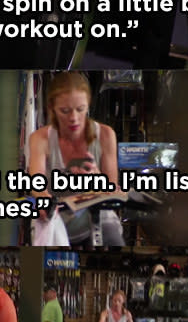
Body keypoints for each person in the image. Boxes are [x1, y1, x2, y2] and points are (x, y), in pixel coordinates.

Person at [29, 71, 125, 247]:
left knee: (114, 243)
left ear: (88, 104)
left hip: (97, 217)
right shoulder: (40, 138)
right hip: (57, 218)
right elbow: (37, 183)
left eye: (80, 109)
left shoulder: (105, 135)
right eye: (65, 111)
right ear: (52, 108)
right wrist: (43, 198)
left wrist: (98, 180)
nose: (73, 118)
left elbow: (112, 190)